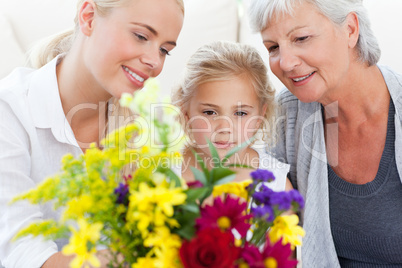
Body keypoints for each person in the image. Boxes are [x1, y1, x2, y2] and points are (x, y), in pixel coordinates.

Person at [0, 0, 184, 267]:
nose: (154, 62)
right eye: (141, 36)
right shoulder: (11, 110)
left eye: (165, 50)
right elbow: (19, 249)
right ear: (88, 17)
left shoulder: (151, 123)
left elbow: (170, 229)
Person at [249, 0, 402, 267]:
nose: (285, 63)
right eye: (273, 47)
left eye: (301, 38)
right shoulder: (287, 115)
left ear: (351, 30)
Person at [172, 41, 293, 192]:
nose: (224, 128)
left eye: (240, 113)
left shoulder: (275, 185)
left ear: (260, 116)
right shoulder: (164, 174)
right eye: (209, 112)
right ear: (186, 113)